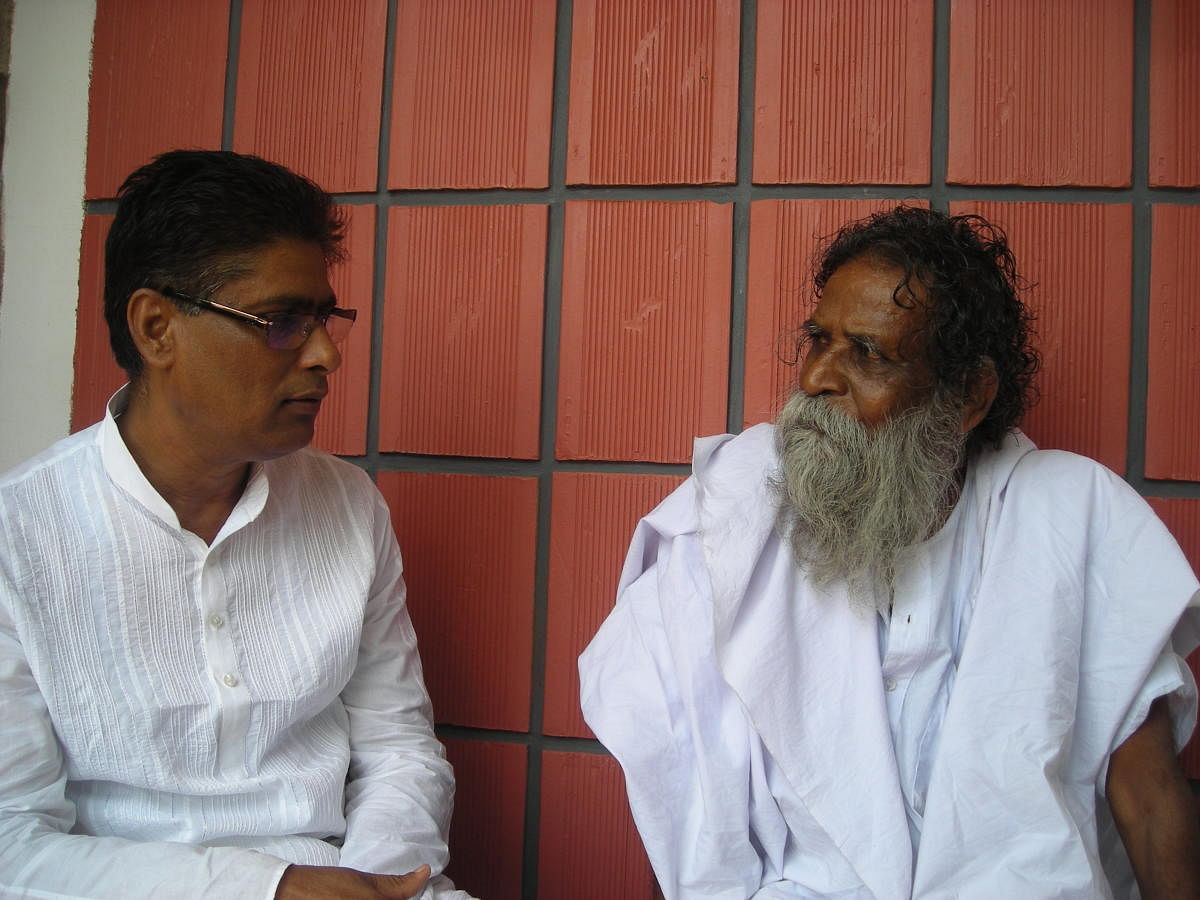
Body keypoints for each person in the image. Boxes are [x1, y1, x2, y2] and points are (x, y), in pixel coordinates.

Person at [579, 206, 1200, 899]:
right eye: (820, 340)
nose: (818, 378)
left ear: (969, 397)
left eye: (868, 354)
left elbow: (1148, 800)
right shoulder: (735, 511)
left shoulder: (1070, 516)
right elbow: (687, 788)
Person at [0, 150, 472, 899]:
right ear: (157, 327)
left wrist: (374, 881)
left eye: (324, 319)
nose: (324, 356)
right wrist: (267, 889)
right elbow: (12, 844)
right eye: (282, 321)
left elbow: (400, 748)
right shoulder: (19, 535)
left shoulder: (348, 506)